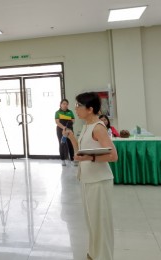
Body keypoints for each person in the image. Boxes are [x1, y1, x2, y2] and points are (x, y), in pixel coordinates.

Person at [64, 92, 118, 260]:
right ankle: (94, 255)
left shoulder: (98, 127)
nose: (76, 109)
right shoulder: (87, 125)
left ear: (90, 109)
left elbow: (113, 156)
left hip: (99, 181)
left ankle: (104, 257)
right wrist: (72, 137)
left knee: (101, 223)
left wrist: (90, 158)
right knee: (92, 222)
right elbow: (80, 151)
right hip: (88, 179)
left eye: (79, 106)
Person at [55, 98, 75, 166]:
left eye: (66, 104)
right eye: (64, 104)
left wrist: (68, 127)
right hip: (60, 129)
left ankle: (72, 159)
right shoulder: (57, 112)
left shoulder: (70, 112)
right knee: (62, 144)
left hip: (69, 129)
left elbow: (73, 120)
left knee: (71, 144)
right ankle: (63, 160)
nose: (65, 105)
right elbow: (57, 122)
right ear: (60, 104)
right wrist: (64, 128)